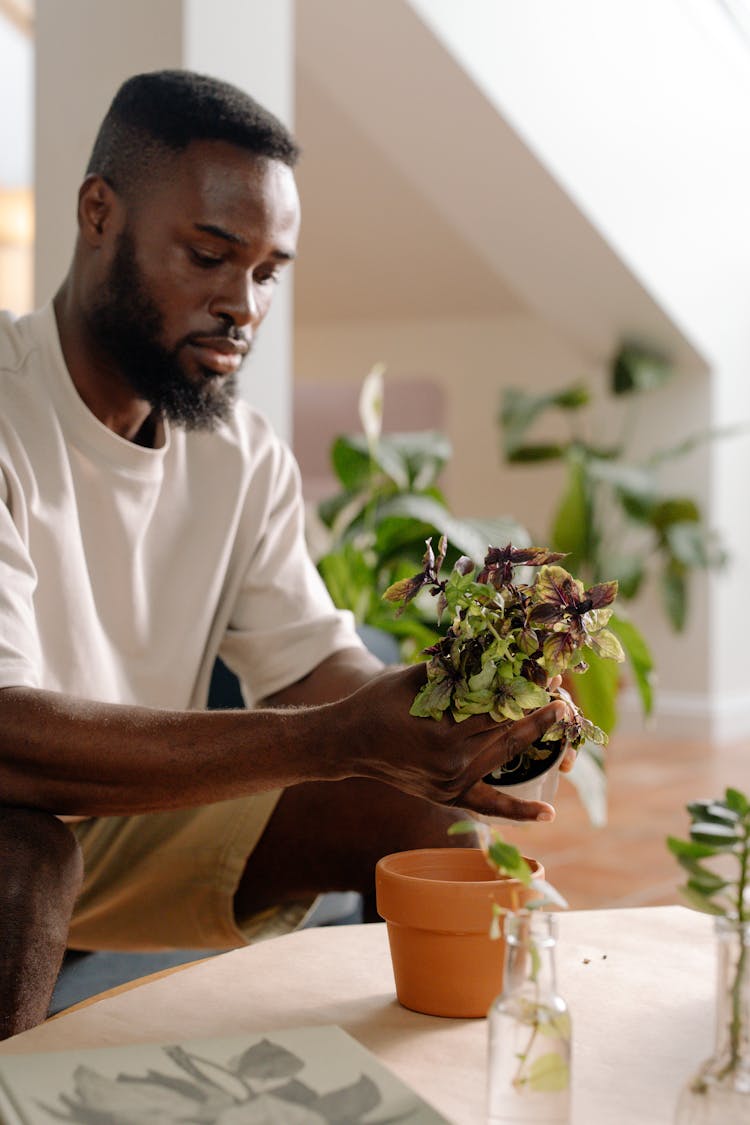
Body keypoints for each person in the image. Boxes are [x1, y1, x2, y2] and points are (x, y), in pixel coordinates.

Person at [0, 70, 569, 1039]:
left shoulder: (239, 451)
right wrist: (337, 736)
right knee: (21, 858)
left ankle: (464, 1083)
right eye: (210, 255)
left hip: (130, 818)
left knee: (424, 829)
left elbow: (313, 669)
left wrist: (442, 716)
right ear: (100, 213)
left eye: (267, 272)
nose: (243, 303)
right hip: (22, 812)